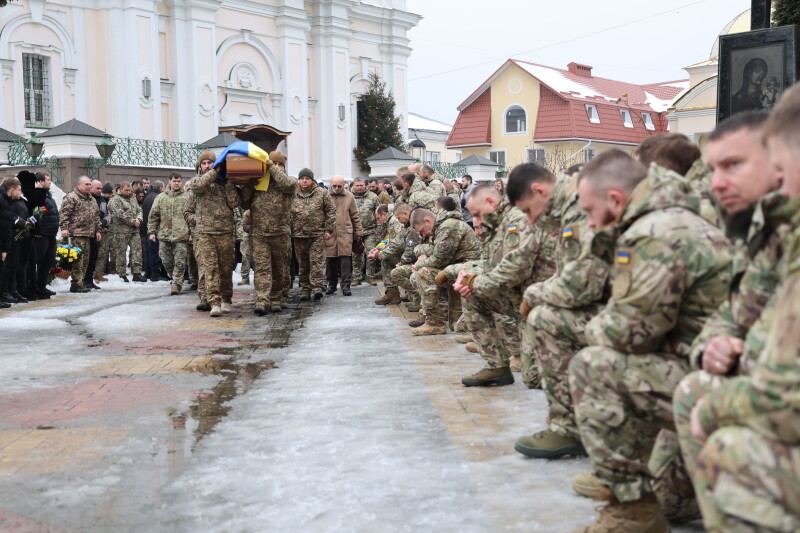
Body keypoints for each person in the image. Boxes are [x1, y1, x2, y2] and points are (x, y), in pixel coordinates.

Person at [567, 150, 732, 532]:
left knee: (595, 366)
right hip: (702, 365)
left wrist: (594, 326)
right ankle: (662, 492)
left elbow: (629, 333)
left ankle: (632, 511)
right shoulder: (672, 216)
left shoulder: (653, 233)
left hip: (713, 378)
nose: (588, 223)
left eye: (590, 211)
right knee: (672, 504)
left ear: (616, 200)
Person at [682, 81, 800, 533]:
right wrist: (712, 345)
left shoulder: (780, 229)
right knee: (697, 385)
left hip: (777, 389)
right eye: (711, 169)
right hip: (766, 371)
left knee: (727, 443)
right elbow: (736, 312)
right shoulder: (759, 230)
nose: (715, 184)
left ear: (776, 162)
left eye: (732, 165)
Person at [512, 165, 610, 460]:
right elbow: (569, 272)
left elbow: (581, 286)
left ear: (540, 191)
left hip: (620, 309)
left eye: (529, 210)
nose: (531, 219)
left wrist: (534, 294)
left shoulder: (579, 207)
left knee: (547, 319)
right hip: (611, 302)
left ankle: (568, 427)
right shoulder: (569, 208)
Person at [453, 173, 558, 387]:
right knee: (472, 296)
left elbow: (514, 269)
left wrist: (473, 281)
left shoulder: (515, 220)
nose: (476, 221)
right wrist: (468, 277)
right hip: (520, 298)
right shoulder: (497, 225)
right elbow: (492, 264)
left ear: (491, 202)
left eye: (477, 214)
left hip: (539, 303)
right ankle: (496, 366)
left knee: (535, 377)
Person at [407, 206, 481, 335]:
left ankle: (435, 323)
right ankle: (440, 314)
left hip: (470, 269)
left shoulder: (449, 227)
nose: (424, 235)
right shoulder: (442, 226)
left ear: (427, 220)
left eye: (423, 231)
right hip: (459, 267)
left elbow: (439, 259)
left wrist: (419, 264)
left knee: (424, 273)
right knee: (424, 272)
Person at [240, 150, 297, 315]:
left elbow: (287, 184)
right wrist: (251, 182)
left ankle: (276, 298)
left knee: (280, 268)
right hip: (260, 234)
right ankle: (262, 300)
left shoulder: (289, 182)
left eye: (280, 165)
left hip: (280, 233)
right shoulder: (258, 182)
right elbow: (244, 202)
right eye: (274, 163)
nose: (277, 167)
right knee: (262, 268)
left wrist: (271, 166)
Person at [188, 151, 240, 317]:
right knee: (210, 269)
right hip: (205, 234)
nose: (207, 166)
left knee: (225, 269)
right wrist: (215, 171)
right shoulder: (198, 183)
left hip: (225, 232)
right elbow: (196, 189)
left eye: (210, 163)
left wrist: (230, 182)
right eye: (203, 163)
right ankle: (214, 302)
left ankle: (226, 299)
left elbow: (235, 203)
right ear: (200, 166)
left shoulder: (225, 183)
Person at [291, 168, 335, 301]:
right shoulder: (293, 194)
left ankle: (317, 287)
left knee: (316, 261)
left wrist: (328, 229)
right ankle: (305, 288)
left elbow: (331, 211)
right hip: (299, 234)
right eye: (302, 178)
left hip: (316, 234)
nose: (304, 181)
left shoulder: (321, 193)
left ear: (312, 180)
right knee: (303, 263)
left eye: (307, 178)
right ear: (299, 180)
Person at [148, 173, 190, 295]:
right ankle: (175, 277)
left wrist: (191, 233)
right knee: (166, 260)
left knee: (180, 261)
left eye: (178, 181)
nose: (176, 183)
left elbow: (191, 216)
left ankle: (176, 284)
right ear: (169, 181)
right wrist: (151, 231)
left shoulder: (187, 197)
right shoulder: (161, 197)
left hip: (181, 235)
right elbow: (154, 215)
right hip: (164, 235)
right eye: (174, 181)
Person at [59, 176, 101, 294]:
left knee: (85, 260)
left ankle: (81, 282)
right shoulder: (71, 197)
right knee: (78, 260)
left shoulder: (91, 199)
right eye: (86, 184)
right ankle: (76, 284)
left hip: (88, 234)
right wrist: (64, 229)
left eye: (89, 184)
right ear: (79, 185)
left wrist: (97, 230)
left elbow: (96, 216)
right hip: (76, 233)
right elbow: (64, 215)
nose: (89, 186)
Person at [324, 175, 362, 296]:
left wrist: (359, 232)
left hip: (345, 232)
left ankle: (346, 286)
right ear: (330, 184)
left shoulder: (349, 196)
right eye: (334, 185)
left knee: (346, 260)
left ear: (343, 185)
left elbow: (355, 215)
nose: (336, 188)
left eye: (339, 186)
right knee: (330, 260)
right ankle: (331, 285)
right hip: (330, 232)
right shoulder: (325, 195)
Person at [371, 202, 411, 305]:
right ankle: (393, 294)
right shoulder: (392, 220)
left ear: (384, 214)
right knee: (386, 256)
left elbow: (397, 244)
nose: (379, 222)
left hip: (406, 252)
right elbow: (392, 241)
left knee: (386, 259)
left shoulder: (393, 221)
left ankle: (395, 294)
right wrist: (380, 249)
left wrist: (379, 254)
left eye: (378, 218)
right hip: (405, 250)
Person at [30, 171, 59, 299]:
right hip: (41, 235)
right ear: (40, 182)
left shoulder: (48, 195)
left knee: (48, 261)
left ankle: (41, 287)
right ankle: (33, 288)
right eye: (48, 180)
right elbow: (34, 214)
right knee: (37, 261)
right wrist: (37, 231)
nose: (50, 182)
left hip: (51, 234)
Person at [0, 177, 30, 302]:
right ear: (12, 190)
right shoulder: (2, 200)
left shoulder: (7, 199)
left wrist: (21, 222)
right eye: (19, 190)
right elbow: (5, 220)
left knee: (13, 265)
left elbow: (9, 217)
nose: (20, 193)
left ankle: (12, 290)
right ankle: (4, 293)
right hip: (5, 238)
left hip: (11, 237)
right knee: (6, 267)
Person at [108, 181, 145, 282]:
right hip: (121, 231)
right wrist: (133, 221)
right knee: (121, 252)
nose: (128, 192)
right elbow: (120, 214)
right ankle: (122, 273)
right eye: (126, 190)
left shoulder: (133, 198)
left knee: (137, 251)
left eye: (129, 190)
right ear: (120, 189)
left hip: (134, 230)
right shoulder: (115, 199)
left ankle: (137, 273)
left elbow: (139, 209)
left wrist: (139, 219)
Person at [351, 178, 381, 286]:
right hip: (355, 232)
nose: (359, 187)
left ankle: (371, 276)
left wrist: (379, 229)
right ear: (354, 186)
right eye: (357, 185)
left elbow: (379, 213)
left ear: (365, 185)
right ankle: (357, 277)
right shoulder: (349, 197)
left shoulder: (373, 197)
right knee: (356, 255)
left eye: (361, 185)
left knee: (371, 254)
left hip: (370, 231)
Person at [82, 180, 104, 290]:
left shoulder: (101, 200)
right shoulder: (86, 198)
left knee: (93, 257)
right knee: (85, 258)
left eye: (101, 188)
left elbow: (101, 215)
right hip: (83, 232)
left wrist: (99, 229)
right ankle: (82, 281)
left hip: (95, 232)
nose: (99, 191)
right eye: (97, 188)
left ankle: (89, 280)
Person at [142, 179, 166, 281]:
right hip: (154, 229)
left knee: (149, 251)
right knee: (155, 252)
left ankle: (148, 272)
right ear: (161, 188)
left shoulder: (148, 196)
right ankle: (155, 274)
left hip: (146, 228)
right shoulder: (158, 197)